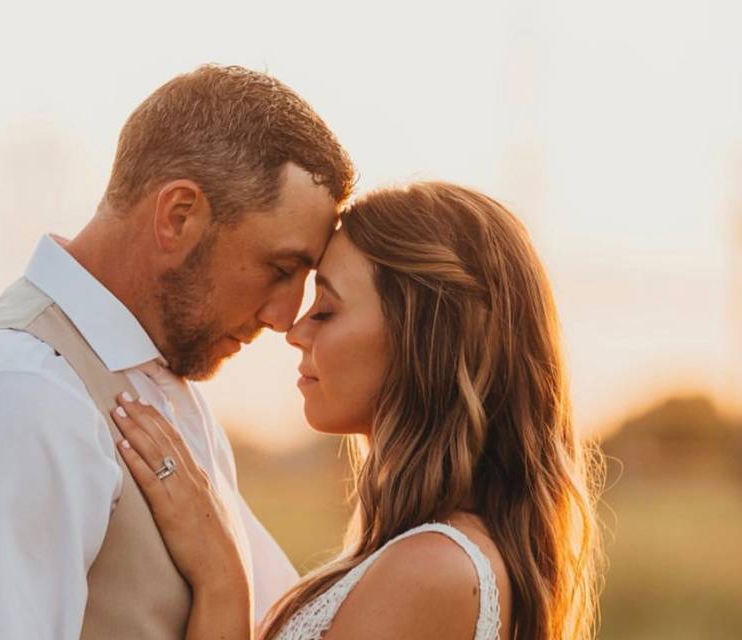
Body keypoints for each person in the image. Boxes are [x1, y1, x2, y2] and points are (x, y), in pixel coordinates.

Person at [0, 64, 355, 639]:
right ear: (178, 216)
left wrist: (225, 581)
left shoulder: (163, 388)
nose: (285, 316)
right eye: (280, 269)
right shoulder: (13, 396)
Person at [111, 182, 604, 640]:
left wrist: (220, 577)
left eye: (325, 309)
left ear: (423, 340)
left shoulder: (430, 569)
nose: (294, 330)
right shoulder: (430, 554)